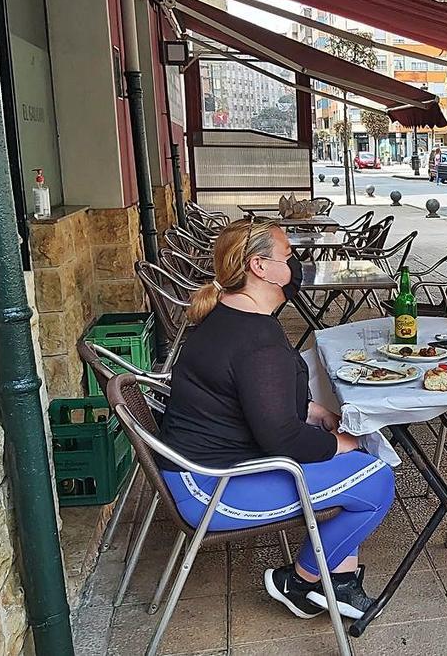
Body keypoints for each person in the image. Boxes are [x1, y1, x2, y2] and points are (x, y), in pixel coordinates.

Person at [160, 218, 395, 621]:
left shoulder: (232, 317)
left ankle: (340, 580)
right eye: (288, 257)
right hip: (212, 491)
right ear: (259, 267)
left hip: (204, 470)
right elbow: (282, 439)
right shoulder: (256, 340)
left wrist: (313, 411)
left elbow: (248, 396)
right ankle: (300, 581)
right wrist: (343, 443)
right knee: (376, 479)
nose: (296, 266)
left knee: (350, 470)